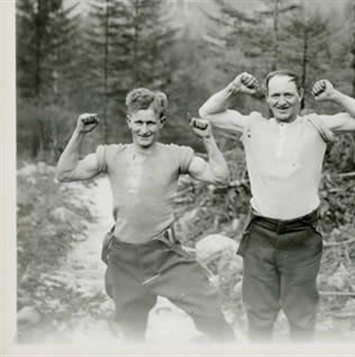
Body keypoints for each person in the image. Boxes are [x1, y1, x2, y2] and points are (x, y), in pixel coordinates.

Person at [198, 70, 355, 341]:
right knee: (259, 315)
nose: (281, 102)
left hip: (302, 235)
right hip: (260, 232)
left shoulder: (316, 125)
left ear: (300, 96)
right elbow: (207, 112)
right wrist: (234, 87)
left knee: (302, 316)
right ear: (267, 98)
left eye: (288, 95)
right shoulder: (253, 125)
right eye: (275, 95)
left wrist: (333, 95)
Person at [55, 88, 235, 342]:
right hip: (123, 257)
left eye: (150, 123)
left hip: (164, 255)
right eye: (138, 122)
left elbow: (220, 177)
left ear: (161, 123)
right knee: (131, 333)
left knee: (210, 310)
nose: (144, 129)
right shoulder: (111, 154)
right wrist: (79, 133)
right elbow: (64, 173)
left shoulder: (176, 155)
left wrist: (208, 138)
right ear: (129, 121)